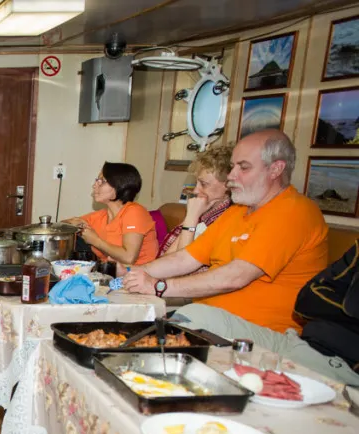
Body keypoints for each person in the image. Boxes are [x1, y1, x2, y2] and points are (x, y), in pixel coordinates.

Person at [124, 129, 328, 337]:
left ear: (275, 169)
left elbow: (235, 277)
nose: (231, 176)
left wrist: (157, 286)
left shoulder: (293, 211)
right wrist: (132, 273)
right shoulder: (237, 211)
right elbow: (185, 259)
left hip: (259, 332)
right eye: (232, 167)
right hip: (208, 319)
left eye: (244, 168)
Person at [290, 239, 359, 385]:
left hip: (342, 367)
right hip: (301, 343)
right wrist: (349, 312)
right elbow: (306, 301)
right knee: (227, 322)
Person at [65, 162, 158, 267]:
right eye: (97, 180)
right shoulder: (102, 216)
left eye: (102, 181)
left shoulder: (134, 212)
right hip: (108, 272)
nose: (95, 185)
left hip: (137, 276)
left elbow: (129, 258)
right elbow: (61, 227)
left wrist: (96, 241)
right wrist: (74, 225)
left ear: (120, 185)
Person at [160, 143, 234, 255]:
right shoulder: (206, 213)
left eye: (204, 184)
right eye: (196, 183)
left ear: (229, 185)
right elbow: (166, 259)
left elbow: (179, 262)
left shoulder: (226, 220)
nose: (196, 190)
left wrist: (192, 217)